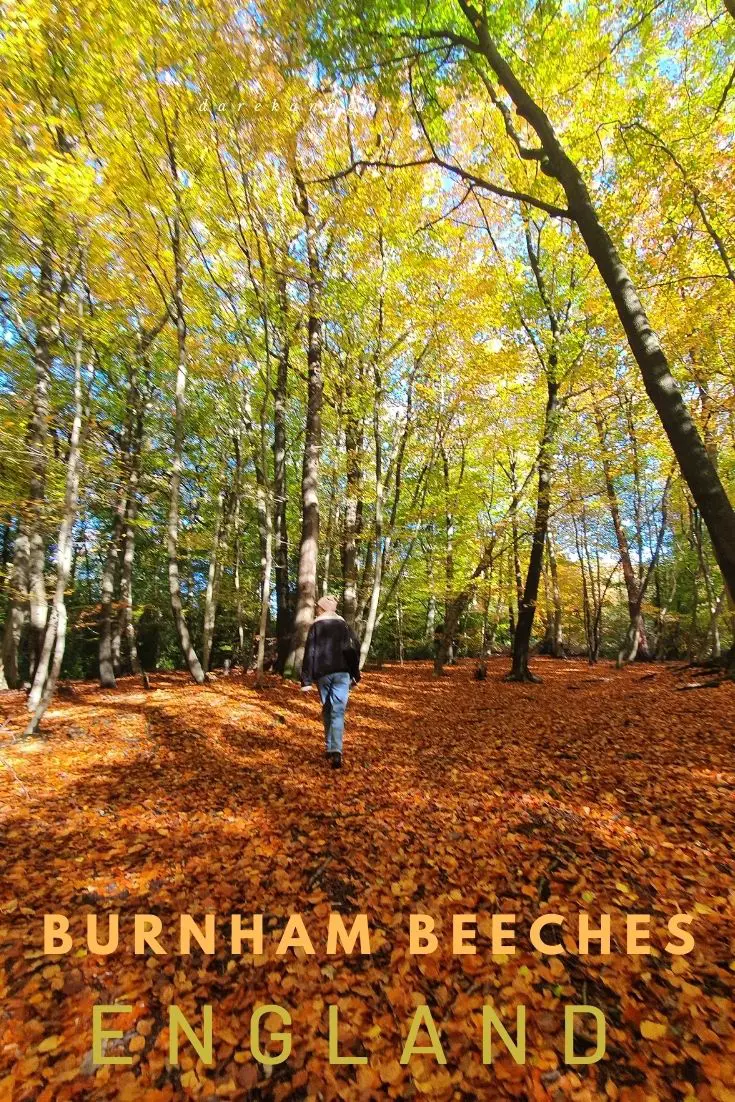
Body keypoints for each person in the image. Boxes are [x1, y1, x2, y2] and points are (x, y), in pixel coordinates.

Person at [300, 594, 361, 769]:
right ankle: (334, 749)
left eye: (318, 607)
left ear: (322, 608)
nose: (316, 610)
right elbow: (352, 648)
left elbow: (309, 652)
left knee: (328, 708)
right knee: (337, 710)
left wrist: (306, 680)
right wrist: (355, 673)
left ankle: (332, 748)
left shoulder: (316, 625)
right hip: (342, 673)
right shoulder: (343, 625)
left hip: (323, 674)